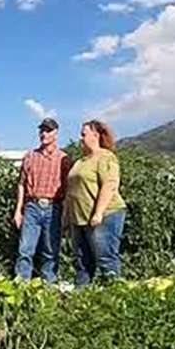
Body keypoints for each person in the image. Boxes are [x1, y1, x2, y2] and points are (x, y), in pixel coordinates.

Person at [65, 119, 127, 286]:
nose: (81, 138)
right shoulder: (81, 161)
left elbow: (109, 185)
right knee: (82, 261)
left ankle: (115, 295)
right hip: (79, 218)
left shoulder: (106, 157)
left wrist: (98, 213)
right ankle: (82, 297)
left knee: (105, 257)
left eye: (84, 134)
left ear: (96, 135)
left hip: (104, 215)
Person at [12, 117, 71, 284]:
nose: (44, 133)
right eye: (42, 130)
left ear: (56, 134)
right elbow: (21, 185)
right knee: (25, 249)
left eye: (48, 130)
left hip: (54, 208)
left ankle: (49, 285)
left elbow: (68, 190)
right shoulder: (30, 157)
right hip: (32, 207)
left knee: (50, 250)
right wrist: (18, 211)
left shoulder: (64, 159)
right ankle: (22, 284)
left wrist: (66, 214)